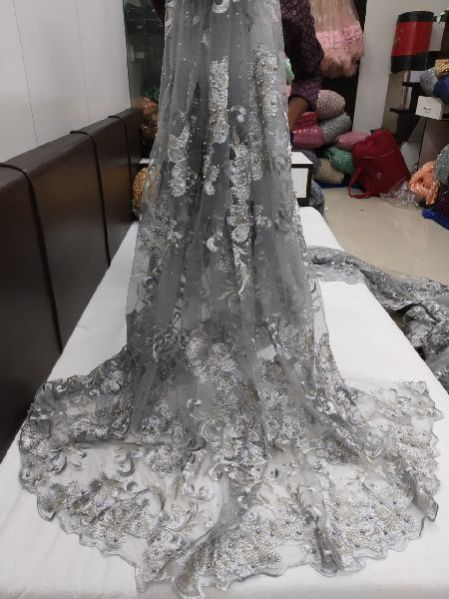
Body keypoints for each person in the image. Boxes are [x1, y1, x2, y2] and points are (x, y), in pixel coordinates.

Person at [19, 3, 438, 598]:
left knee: (251, 242)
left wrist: (275, 119)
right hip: (194, 144)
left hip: (253, 136)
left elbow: (309, 69)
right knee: (198, 243)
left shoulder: (285, 7)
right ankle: (206, 317)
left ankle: (249, 317)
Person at [151, 0, 324, 129]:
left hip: (258, 143)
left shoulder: (289, 5)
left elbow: (310, 75)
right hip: (189, 137)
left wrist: (285, 125)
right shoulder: (179, 3)